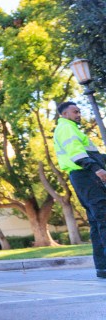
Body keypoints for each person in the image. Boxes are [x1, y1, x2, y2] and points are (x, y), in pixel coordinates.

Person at [53, 101, 106, 278]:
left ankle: (102, 267)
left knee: (97, 220)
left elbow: (89, 154)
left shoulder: (70, 129)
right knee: (103, 217)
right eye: (75, 111)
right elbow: (77, 154)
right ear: (65, 114)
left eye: (79, 112)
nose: (79, 114)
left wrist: (99, 162)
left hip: (83, 177)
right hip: (85, 175)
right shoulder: (66, 128)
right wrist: (96, 169)